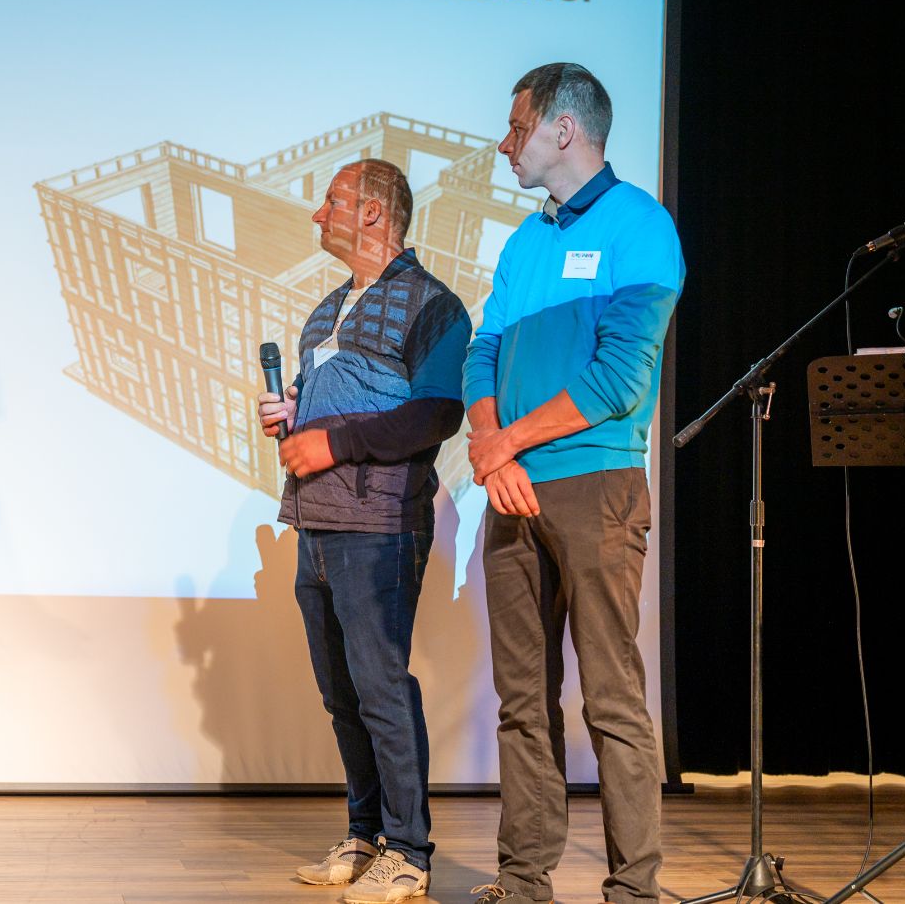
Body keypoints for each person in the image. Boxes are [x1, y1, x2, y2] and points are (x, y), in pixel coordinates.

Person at [463, 63, 684, 904]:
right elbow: (483, 352)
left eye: (517, 127)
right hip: (511, 490)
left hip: (595, 487)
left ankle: (633, 888)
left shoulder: (641, 225)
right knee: (521, 702)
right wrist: (494, 452)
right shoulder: (526, 241)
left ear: (564, 129)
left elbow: (619, 379)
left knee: (611, 698)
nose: (504, 143)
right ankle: (523, 880)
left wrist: (505, 444)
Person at [258, 159, 471, 904]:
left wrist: (334, 441)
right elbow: (339, 402)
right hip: (314, 522)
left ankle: (408, 852)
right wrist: (294, 415)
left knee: (381, 686)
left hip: (378, 525)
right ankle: (365, 833)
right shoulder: (325, 310)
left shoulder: (433, 305)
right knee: (341, 694)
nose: (319, 214)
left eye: (333, 201)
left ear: (374, 213)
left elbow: (438, 412)